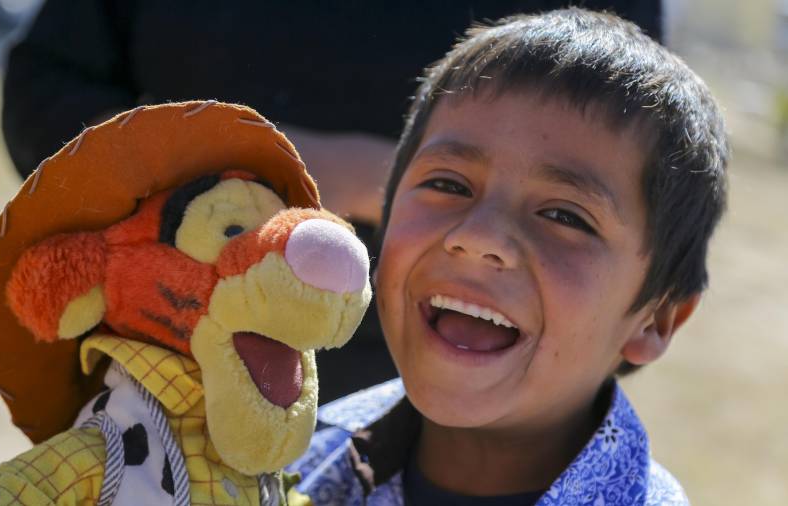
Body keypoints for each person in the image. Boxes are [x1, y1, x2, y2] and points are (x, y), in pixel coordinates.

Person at [1, 1, 664, 403]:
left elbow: (631, 220)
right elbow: (42, 96)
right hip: (148, 368)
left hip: (414, 401)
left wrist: (410, 186)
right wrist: (256, 163)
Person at [287, 8, 727, 505]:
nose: (479, 238)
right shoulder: (295, 462)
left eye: (564, 216)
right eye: (448, 184)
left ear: (656, 320)